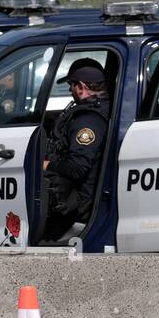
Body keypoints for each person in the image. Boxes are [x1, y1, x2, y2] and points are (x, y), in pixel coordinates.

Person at [43, 57, 111, 242]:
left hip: (76, 211)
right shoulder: (100, 109)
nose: (69, 89)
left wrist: (46, 165)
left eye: (72, 84)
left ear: (81, 87)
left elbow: (76, 167)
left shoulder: (89, 119)